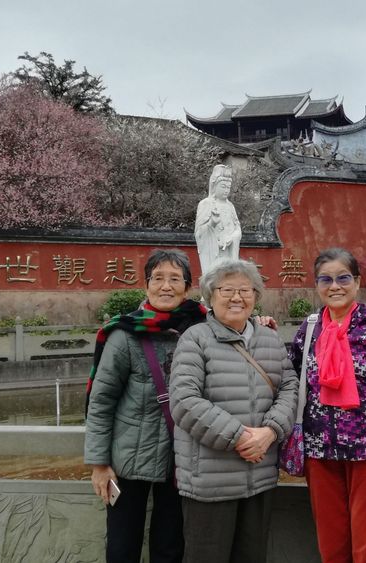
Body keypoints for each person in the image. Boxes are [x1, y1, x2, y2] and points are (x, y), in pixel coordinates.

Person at [169, 259, 298, 563]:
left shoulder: (270, 340)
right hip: (210, 482)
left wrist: (270, 432)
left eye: (245, 290)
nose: (236, 297)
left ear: (255, 296)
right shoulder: (195, 339)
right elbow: (184, 401)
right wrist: (240, 437)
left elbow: (289, 388)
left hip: (259, 476)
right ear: (210, 296)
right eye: (226, 290)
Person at [84, 249, 208, 563]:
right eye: (158, 278)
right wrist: (99, 464)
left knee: (170, 547)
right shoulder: (124, 334)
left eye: (175, 279)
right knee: (122, 548)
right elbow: (101, 401)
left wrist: (260, 323)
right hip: (128, 460)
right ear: (146, 285)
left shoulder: (202, 329)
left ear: (187, 288)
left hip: (180, 458)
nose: (166, 286)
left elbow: (238, 325)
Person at [290, 247, 366, 563]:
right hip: (320, 451)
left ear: (357, 281)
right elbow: (291, 379)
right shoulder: (309, 329)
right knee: (331, 546)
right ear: (317, 284)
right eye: (325, 279)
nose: (335, 286)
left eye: (343, 278)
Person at [195, 164, 242, 275]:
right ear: (214, 186)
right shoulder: (206, 204)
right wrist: (212, 223)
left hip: (229, 251)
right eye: (223, 186)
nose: (226, 190)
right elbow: (199, 233)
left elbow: (237, 228)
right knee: (215, 278)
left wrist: (232, 237)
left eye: (228, 187)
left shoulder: (230, 206)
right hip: (213, 253)